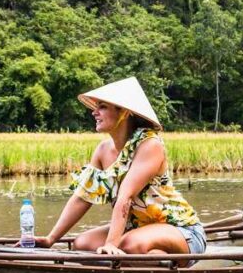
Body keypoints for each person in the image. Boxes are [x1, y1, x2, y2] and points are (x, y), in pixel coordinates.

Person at [32, 77, 207, 259]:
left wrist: (111, 244)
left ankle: (167, 268)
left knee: (129, 245)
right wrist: (50, 238)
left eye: (102, 107)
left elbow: (126, 196)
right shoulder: (102, 150)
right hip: (137, 229)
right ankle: (147, 263)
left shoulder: (149, 144)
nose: (94, 112)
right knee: (82, 244)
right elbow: (82, 197)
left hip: (181, 231)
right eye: (96, 107)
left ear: (123, 112)